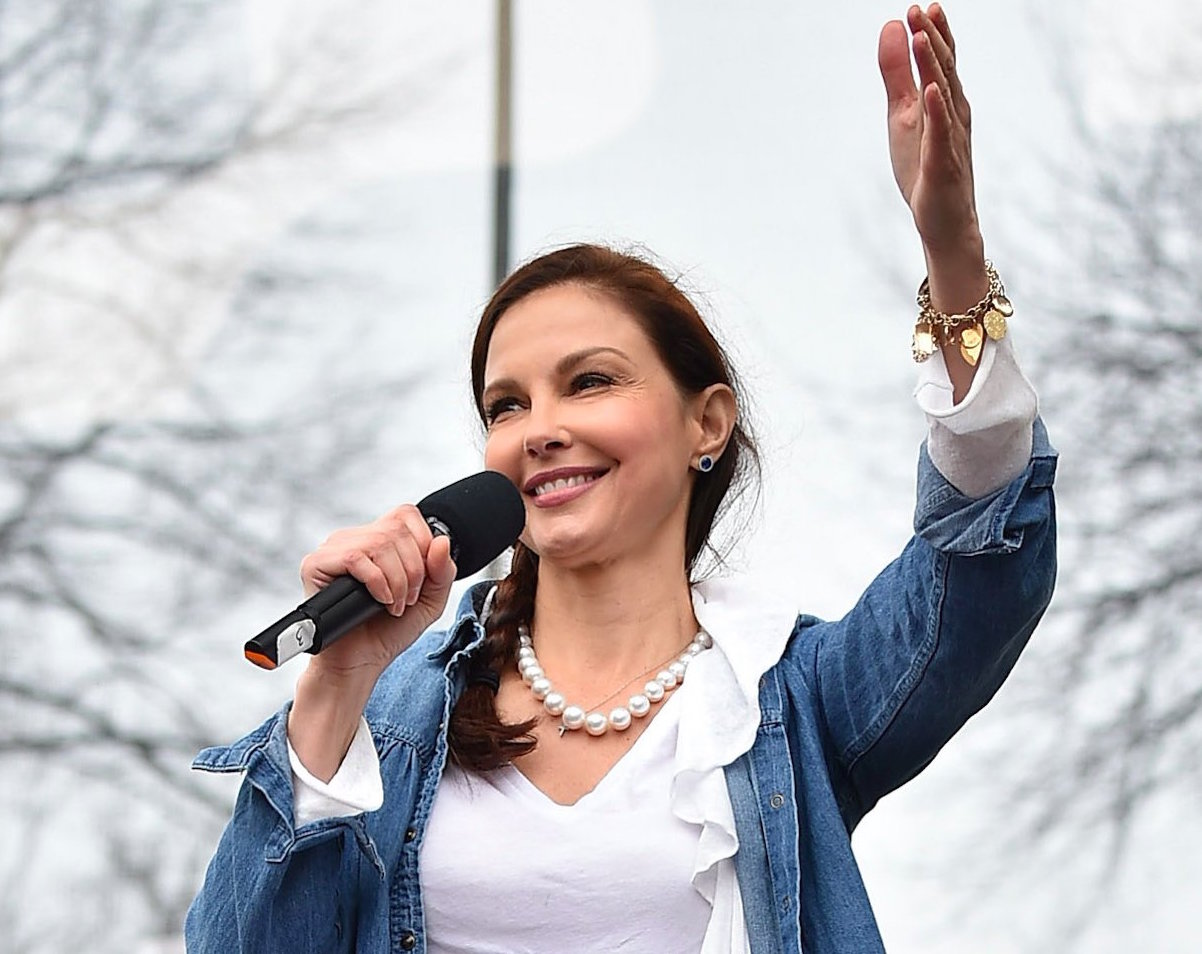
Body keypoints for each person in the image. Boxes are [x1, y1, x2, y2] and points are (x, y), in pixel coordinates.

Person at [184, 5, 1057, 952]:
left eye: (590, 382)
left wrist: (954, 258)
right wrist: (337, 685)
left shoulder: (786, 699)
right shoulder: (397, 714)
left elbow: (979, 566)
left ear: (706, 423)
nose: (541, 430)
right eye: (506, 405)